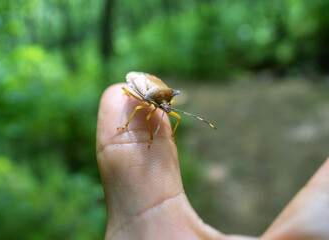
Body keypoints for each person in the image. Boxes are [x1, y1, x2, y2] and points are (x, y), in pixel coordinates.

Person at [96, 84, 329, 240]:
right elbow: (145, 106)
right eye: (164, 106)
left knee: (167, 119)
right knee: (143, 111)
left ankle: (169, 134)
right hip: (141, 90)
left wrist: (171, 129)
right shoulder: (149, 104)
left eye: (168, 106)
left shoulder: (167, 106)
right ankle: (126, 126)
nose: (167, 109)